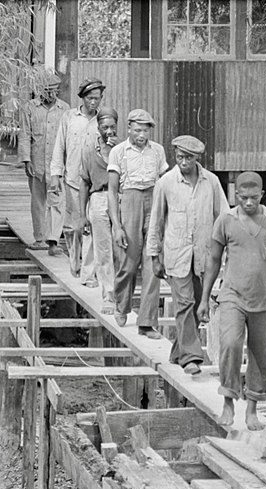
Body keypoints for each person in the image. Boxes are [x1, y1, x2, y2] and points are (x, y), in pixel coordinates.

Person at [197, 171, 266, 430]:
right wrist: (204, 299)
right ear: (236, 196)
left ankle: (251, 408)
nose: (249, 203)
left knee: (260, 355)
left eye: (254, 198)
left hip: (264, 299)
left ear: (261, 195)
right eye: (244, 198)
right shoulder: (226, 220)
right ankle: (229, 400)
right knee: (230, 344)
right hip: (232, 295)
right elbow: (214, 260)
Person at [147, 135, 228, 375]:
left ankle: (177, 352)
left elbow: (223, 216)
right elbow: (156, 222)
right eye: (180, 157)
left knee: (194, 307)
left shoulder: (211, 182)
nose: (183, 162)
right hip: (176, 255)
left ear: (197, 158)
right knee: (184, 303)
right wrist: (154, 254)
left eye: (188, 158)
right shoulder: (166, 183)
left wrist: (229, 247)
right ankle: (192, 357)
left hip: (202, 257)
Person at [107, 109, 169, 339]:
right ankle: (121, 305)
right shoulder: (118, 152)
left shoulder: (158, 151)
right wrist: (116, 225)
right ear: (129, 128)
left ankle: (146, 322)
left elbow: (165, 182)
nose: (142, 135)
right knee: (129, 262)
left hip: (153, 200)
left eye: (146, 130)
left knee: (153, 261)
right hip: (130, 201)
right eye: (137, 130)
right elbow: (112, 192)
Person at [50, 78, 105, 274]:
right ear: (83, 98)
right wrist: (55, 175)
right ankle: (75, 262)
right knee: (73, 226)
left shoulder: (103, 120)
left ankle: (89, 269)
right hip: (73, 180)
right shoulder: (69, 117)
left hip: (95, 183)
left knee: (91, 223)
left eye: (97, 98)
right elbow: (59, 147)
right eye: (90, 98)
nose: (93, 102)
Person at [17, 71, 68, 255]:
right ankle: (39, 238)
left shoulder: (65, 109)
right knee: (38, 201)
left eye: (53, 91)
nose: (49, 94)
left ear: (58, 91)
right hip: (37, 162)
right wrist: (26, 160)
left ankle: (53, 239)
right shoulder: (29, 108)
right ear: (39, 91)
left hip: (57, 165)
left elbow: (67, 139)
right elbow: (24, 135)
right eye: (46, 91)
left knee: (57, 201)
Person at [75, 107, 119, 307]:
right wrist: (82, 214)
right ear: (98, 127)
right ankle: (108, 291)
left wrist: (115, 151)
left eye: (112, 127)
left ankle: (121, 289)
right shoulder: (89, 150)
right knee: (103, 248)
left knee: (121, 246)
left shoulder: (123, 149)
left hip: (120, 198)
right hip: (99, 197)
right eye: (104, 127)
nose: (109, 131)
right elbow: (84, 182)